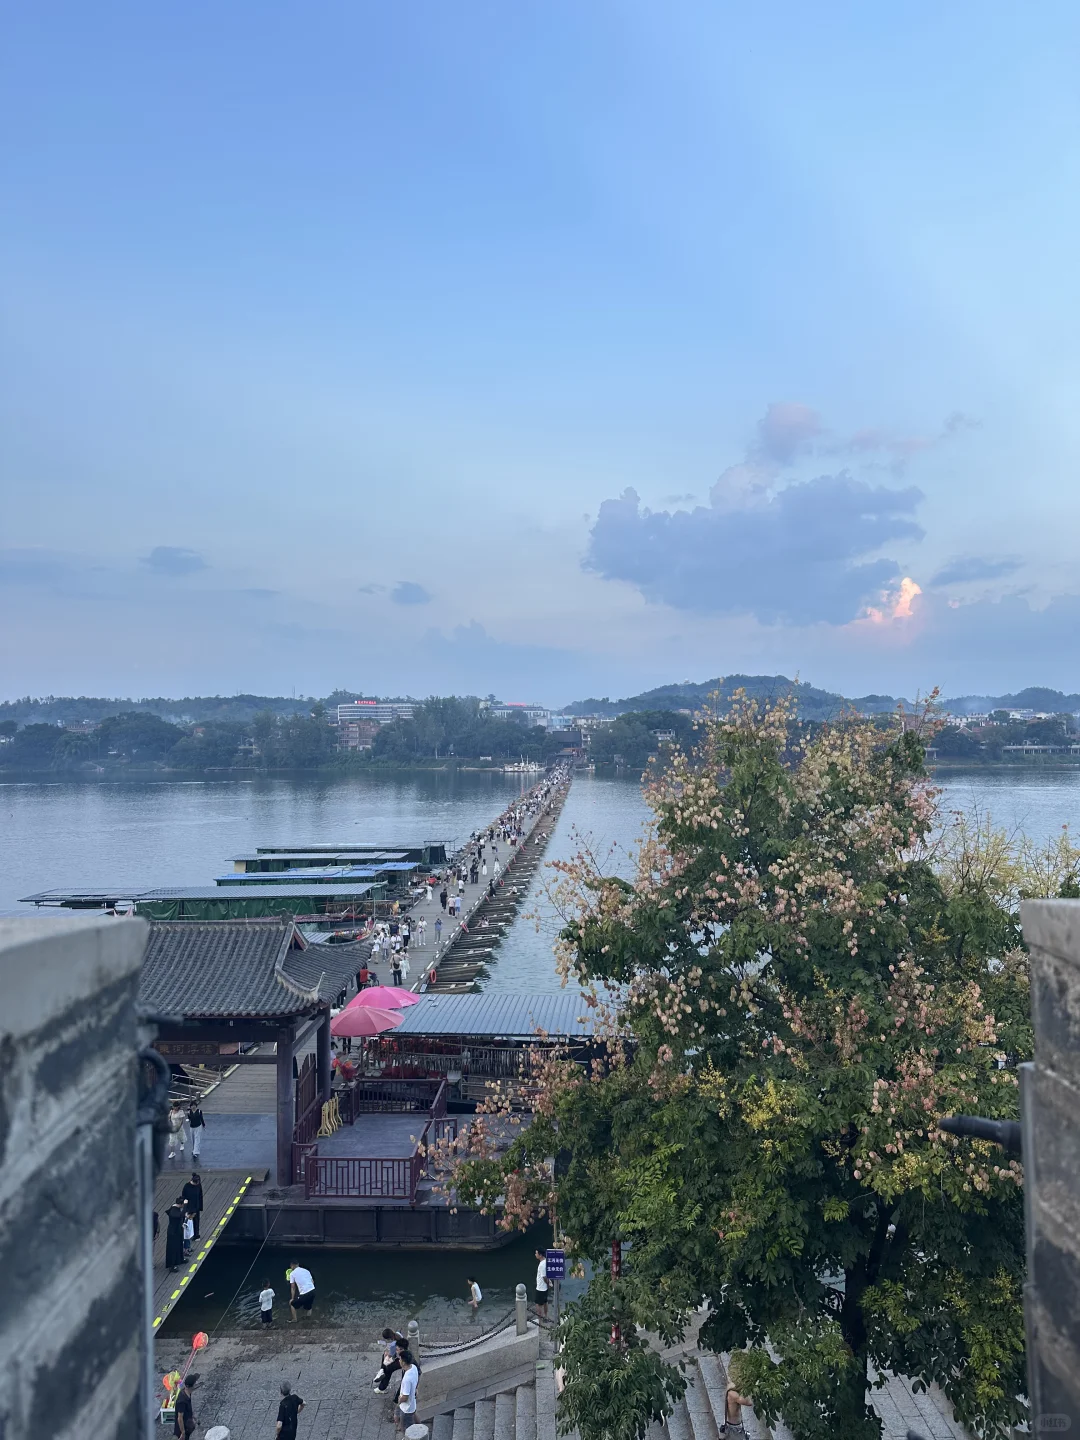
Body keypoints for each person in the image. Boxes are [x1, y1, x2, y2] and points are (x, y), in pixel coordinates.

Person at [721, 1354, 752, 1437]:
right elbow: (749, 1402)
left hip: (733, 1424)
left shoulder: (731, 1385)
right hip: (733, 1427)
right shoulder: (733, 1394)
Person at [373, 1327, 407, 1391]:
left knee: (388, 1369)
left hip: (402, 1360)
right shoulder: (398, 1334)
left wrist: (387, 1353)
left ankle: (381, 1387)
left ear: (388, 1338)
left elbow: (391, 1355)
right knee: (385, 1359)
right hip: (402, 1356)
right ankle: (382, 1370)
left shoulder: (393, 1345)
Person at [395, 1349, 419, 1431]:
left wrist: (399, 1401)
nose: (399, 1360)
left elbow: (405, 1396)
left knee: (405, 1426)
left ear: (403, 1362)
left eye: (400, 1359)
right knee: (414, 1414)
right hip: (412, 1401)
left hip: (406, 1406)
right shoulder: (414, 1367)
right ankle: (420, 1428)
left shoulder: (407, 1379)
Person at [173, 1373, 198, 1440]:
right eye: (195, 1383)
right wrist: (183, 1432)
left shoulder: (188, 1392)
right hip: (182, 1428)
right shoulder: (182, 1401)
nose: (196, 1384)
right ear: (191, 1386)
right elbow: (180, 1418)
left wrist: (192, 1415)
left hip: (187, 1424)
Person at [165, 1199, 186, 1271]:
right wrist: (185, 1206)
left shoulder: (176, 1209)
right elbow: (180, 1215)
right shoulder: (174, 1211)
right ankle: (172, 1265)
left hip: (177, 1230)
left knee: (179, 1245)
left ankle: (180, 1259)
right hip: (173, 1232)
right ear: (180, 1204)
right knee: (173, 1248)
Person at [182, 1172, 204, 1240]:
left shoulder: (198, 1185)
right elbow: (184, 1197)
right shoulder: (187, 1186)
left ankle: (196, 1235)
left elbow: (200, 1196)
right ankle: (187, 1237)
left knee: (196, 1221)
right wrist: (185, 1207)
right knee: (188, 1222)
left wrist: (200, 1207)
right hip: (189, 1206)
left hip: (196, 1206)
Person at [534, 1249, 549, 1320]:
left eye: (536, 1253)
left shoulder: (542, 1265)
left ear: (540, 1255)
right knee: (545, 1302)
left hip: (540, 1287)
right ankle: (545, 1316)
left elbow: (544, 1277)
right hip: (544, 1287)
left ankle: (540, 1318)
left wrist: (548, 1283)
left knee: (538, 1304)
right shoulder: (546, 1261)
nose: (535, 1255)